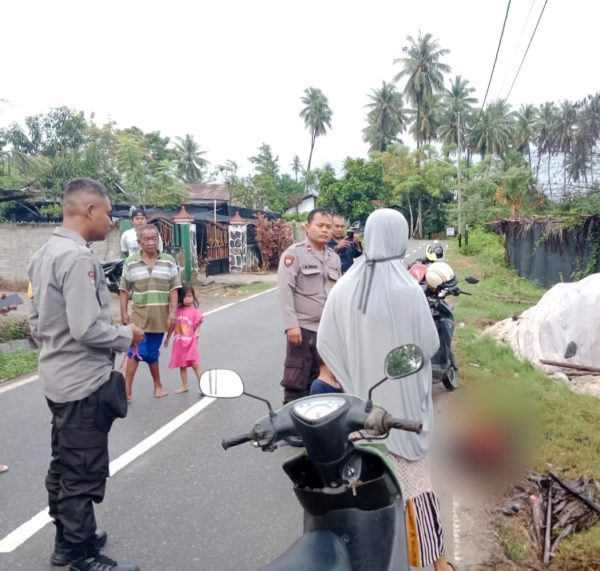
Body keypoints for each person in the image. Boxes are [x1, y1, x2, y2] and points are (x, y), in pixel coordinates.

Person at [317, 208, 464, 571]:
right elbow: (430, 345)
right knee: (418, 489)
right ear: (398, 238)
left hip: (360, 415)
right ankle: (439, 565)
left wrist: (353, 376)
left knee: (363, 490)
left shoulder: (345, 286)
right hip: (402, 413)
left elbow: (325, 343)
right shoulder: (406, 290)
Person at [28, 178, 144, 571]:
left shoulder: (43, 254)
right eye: (107, 213)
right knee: (82, 472)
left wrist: (56, 347)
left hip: (57, 379)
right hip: (82, 384)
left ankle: (68, 541)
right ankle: (82, 556)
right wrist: (126, 334)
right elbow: (86, 328)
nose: (110, 221)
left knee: (65, 463)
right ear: (89, 210)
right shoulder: (79, 259)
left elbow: (35, 324)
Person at [277, 208, 341, 403]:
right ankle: (292, 417)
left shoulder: (334, 258)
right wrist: (291, 325)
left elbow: (338, 293)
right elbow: (285, 291)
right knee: (297, 380)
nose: (325, 230)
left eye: (328, 226)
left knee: (325, 380)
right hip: (302, 329)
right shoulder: (294, 254)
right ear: (307, 226)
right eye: (320, 225)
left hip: (327, 330)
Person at [119, 224, 181, 400]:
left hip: (160, 317)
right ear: (139, 242)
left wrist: (173, 311)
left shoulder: (168, 260)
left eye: (154, 238)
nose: (151, 242)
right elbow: (124, 289)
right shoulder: (130, 262)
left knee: (152, 352)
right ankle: (127, 389)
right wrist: (123, 313)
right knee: (137, 350)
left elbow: (174, 287)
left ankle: (158, 385)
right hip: (139, 316)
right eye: (147, 239)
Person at [164, 284, 204, 395]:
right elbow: (172, 326)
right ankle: (184, 385)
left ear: (193, 297)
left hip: (191, 343)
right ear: (180, 298)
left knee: (195, 365)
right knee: (182, 365)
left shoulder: (195, 311)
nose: (188, 299)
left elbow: (198, 323)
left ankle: (203, 386)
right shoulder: (176, 311)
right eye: (185, 297)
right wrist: (167, 338)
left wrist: (197, 331)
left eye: (190, 296)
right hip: (179, 343)